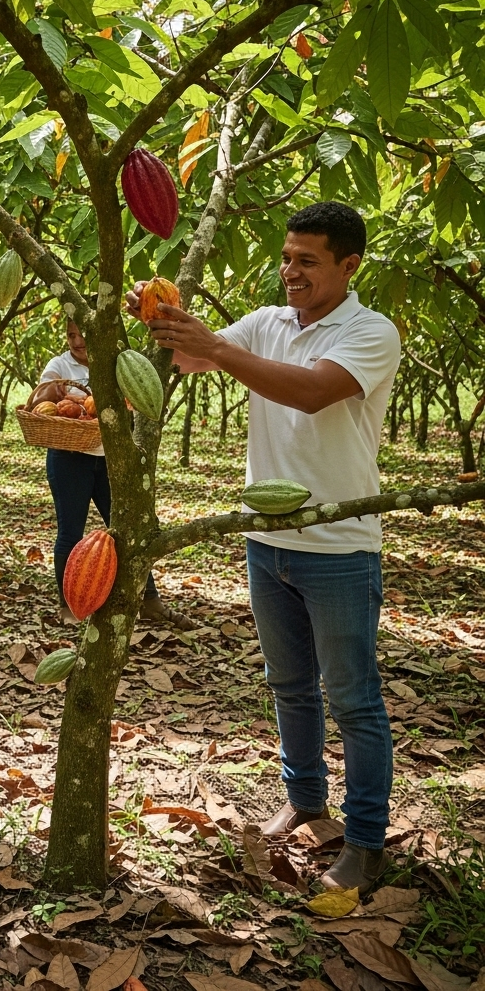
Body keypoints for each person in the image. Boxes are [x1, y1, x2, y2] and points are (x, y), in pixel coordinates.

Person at [127, 201, 401, 892]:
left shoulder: (371, 332)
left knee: (353, 699)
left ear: (349, 265)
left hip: (339, 546)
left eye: (307, 261)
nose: (290, 272)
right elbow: (195, 357)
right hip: (265, 539)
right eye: (287, 258)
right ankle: (306, 800)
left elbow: (313, 393)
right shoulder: (268, 323)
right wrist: (159, 317)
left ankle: (366, 842)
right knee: (289, 686)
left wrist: (219, 348)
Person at [26, 318, 192, 628]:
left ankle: (150, 600)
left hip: (108, 460)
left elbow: (131, 399)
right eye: (70, 334)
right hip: (69, 459)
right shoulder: (59, 365)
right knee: (70, 533)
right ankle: (69, 606)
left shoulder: (112, 362)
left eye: (82, 335)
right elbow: (39, 403)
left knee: (125, 531)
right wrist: (60, 395)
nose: (76, 341)